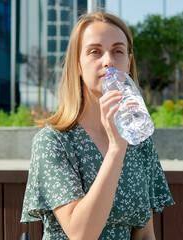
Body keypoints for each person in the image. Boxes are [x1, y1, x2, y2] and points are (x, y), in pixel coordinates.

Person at [21, 10, 174, 240]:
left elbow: (144, 234)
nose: (108, 61)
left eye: (117, 51)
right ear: (78, 65)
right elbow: (81, 234)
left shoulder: (140, 141)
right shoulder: (53, 142)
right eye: (95, 52)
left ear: (128, 63)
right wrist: (115, 149)